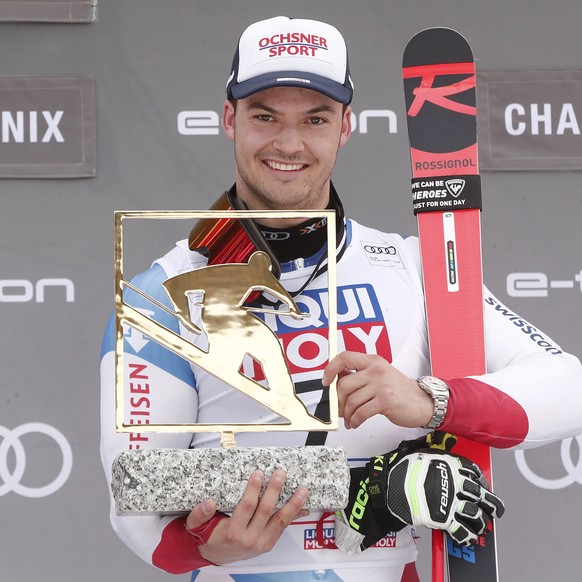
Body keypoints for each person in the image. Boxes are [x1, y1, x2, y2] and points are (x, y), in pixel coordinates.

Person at [100, 15, 582, 582]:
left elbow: (567, 386)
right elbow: (135, 492)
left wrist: (431, 401)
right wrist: (214, 542)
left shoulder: (410, 267)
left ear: (345, 126)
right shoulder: (160, 295)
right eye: (265, 116)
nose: (289, 142)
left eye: (315, 118)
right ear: (230, 119)